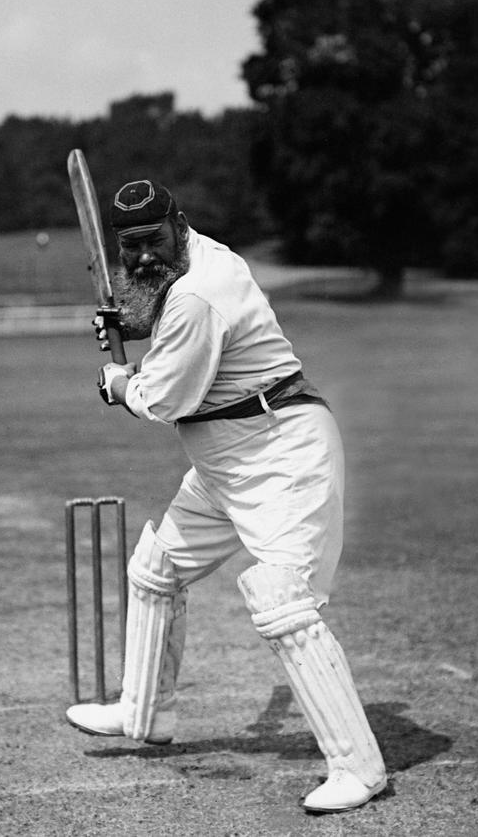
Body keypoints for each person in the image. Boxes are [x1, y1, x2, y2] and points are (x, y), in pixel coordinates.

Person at [65, 179, 387, 813]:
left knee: (282, 605)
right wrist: (135, 316)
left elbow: (162, 399)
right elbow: (162, 307)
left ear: (179, 224)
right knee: (157, 569)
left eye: (153, 242)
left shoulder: (199, 295)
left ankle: (359, 768)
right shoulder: (197, 262)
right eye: (130, 249)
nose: (142, 259)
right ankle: (143, 712)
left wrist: (117, 382)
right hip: (224, 460)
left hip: (281, 454)